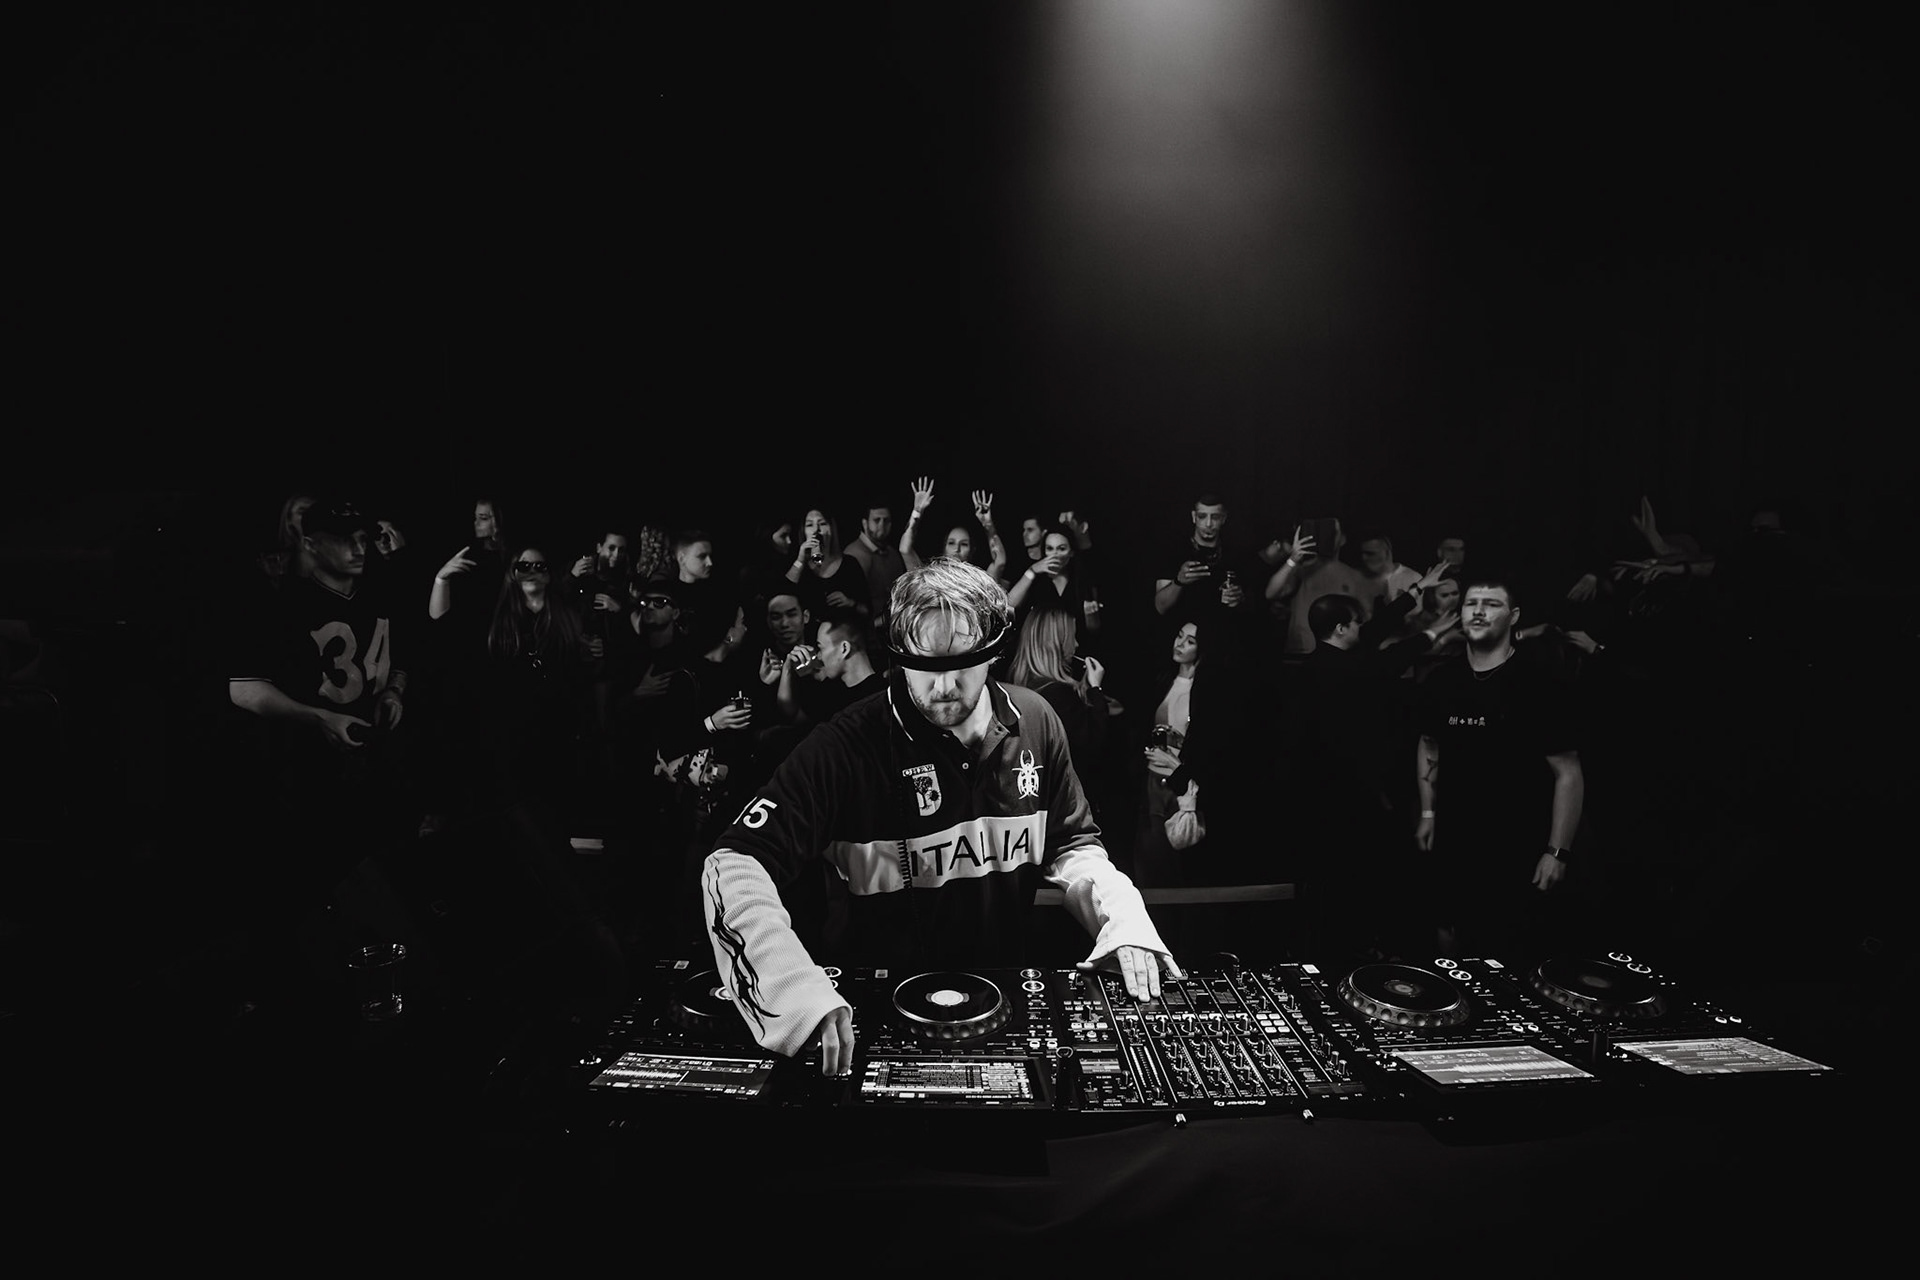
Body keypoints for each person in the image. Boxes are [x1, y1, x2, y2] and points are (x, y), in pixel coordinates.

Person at [700, 559, 1183, 1074]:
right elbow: (732, 865)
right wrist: (791, 987)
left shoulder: (1037, 722)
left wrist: (1120, 914)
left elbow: (1072, 843)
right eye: (925, 666)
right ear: (898, 657)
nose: (946, 686)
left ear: (994, 651)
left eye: (964, 663)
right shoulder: (844, 745)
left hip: (1000, 1009)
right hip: (870, 1024)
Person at [1414, 571, 1585, 963]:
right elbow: (1428, 744)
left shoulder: (1538, 683)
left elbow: (1568, 773)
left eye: (1491, 604)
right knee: (1447, 934)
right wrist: (1428, 812)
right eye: (1471, 604)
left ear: (1514, 616)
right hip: (1454, 836)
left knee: (1506, 947)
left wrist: (1557, 852)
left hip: (1516, 841)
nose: (1478, 612)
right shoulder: (1442, 680)